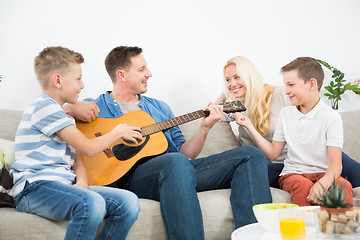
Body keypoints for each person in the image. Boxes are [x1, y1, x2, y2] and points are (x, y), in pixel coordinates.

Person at [66, 46, 272, 240]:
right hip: (130, 180)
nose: (149, 73)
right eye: (142, 69)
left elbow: (185, 155)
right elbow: (51, 115)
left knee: (249, 155)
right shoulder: (95, 108)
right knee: (174, 161)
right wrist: (70, 109)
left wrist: (205, 128)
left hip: (177, 171)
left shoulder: (159, 108)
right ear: (122, 75)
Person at [10, 46, 140, 240]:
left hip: (63, 185)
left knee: (128, 202)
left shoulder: (65, 117)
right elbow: (88, 148)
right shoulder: (44, 107)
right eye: (78, 78)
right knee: (92, 204)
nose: (82, 85)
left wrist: (82, 183)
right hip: (34, 189)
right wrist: (118, 131)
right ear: (58, 80)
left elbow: (78, 161)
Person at [215, 56, 360, 189]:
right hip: (281, 166)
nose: (232, 83)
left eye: (237, 77)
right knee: (247, 176)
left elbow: (311, 115)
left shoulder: (280, 94)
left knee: (348, 169)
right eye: (227, 79)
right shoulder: (235, 108)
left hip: (309, 158)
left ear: (249, 77)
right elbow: (212, 114)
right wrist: (225, 93)